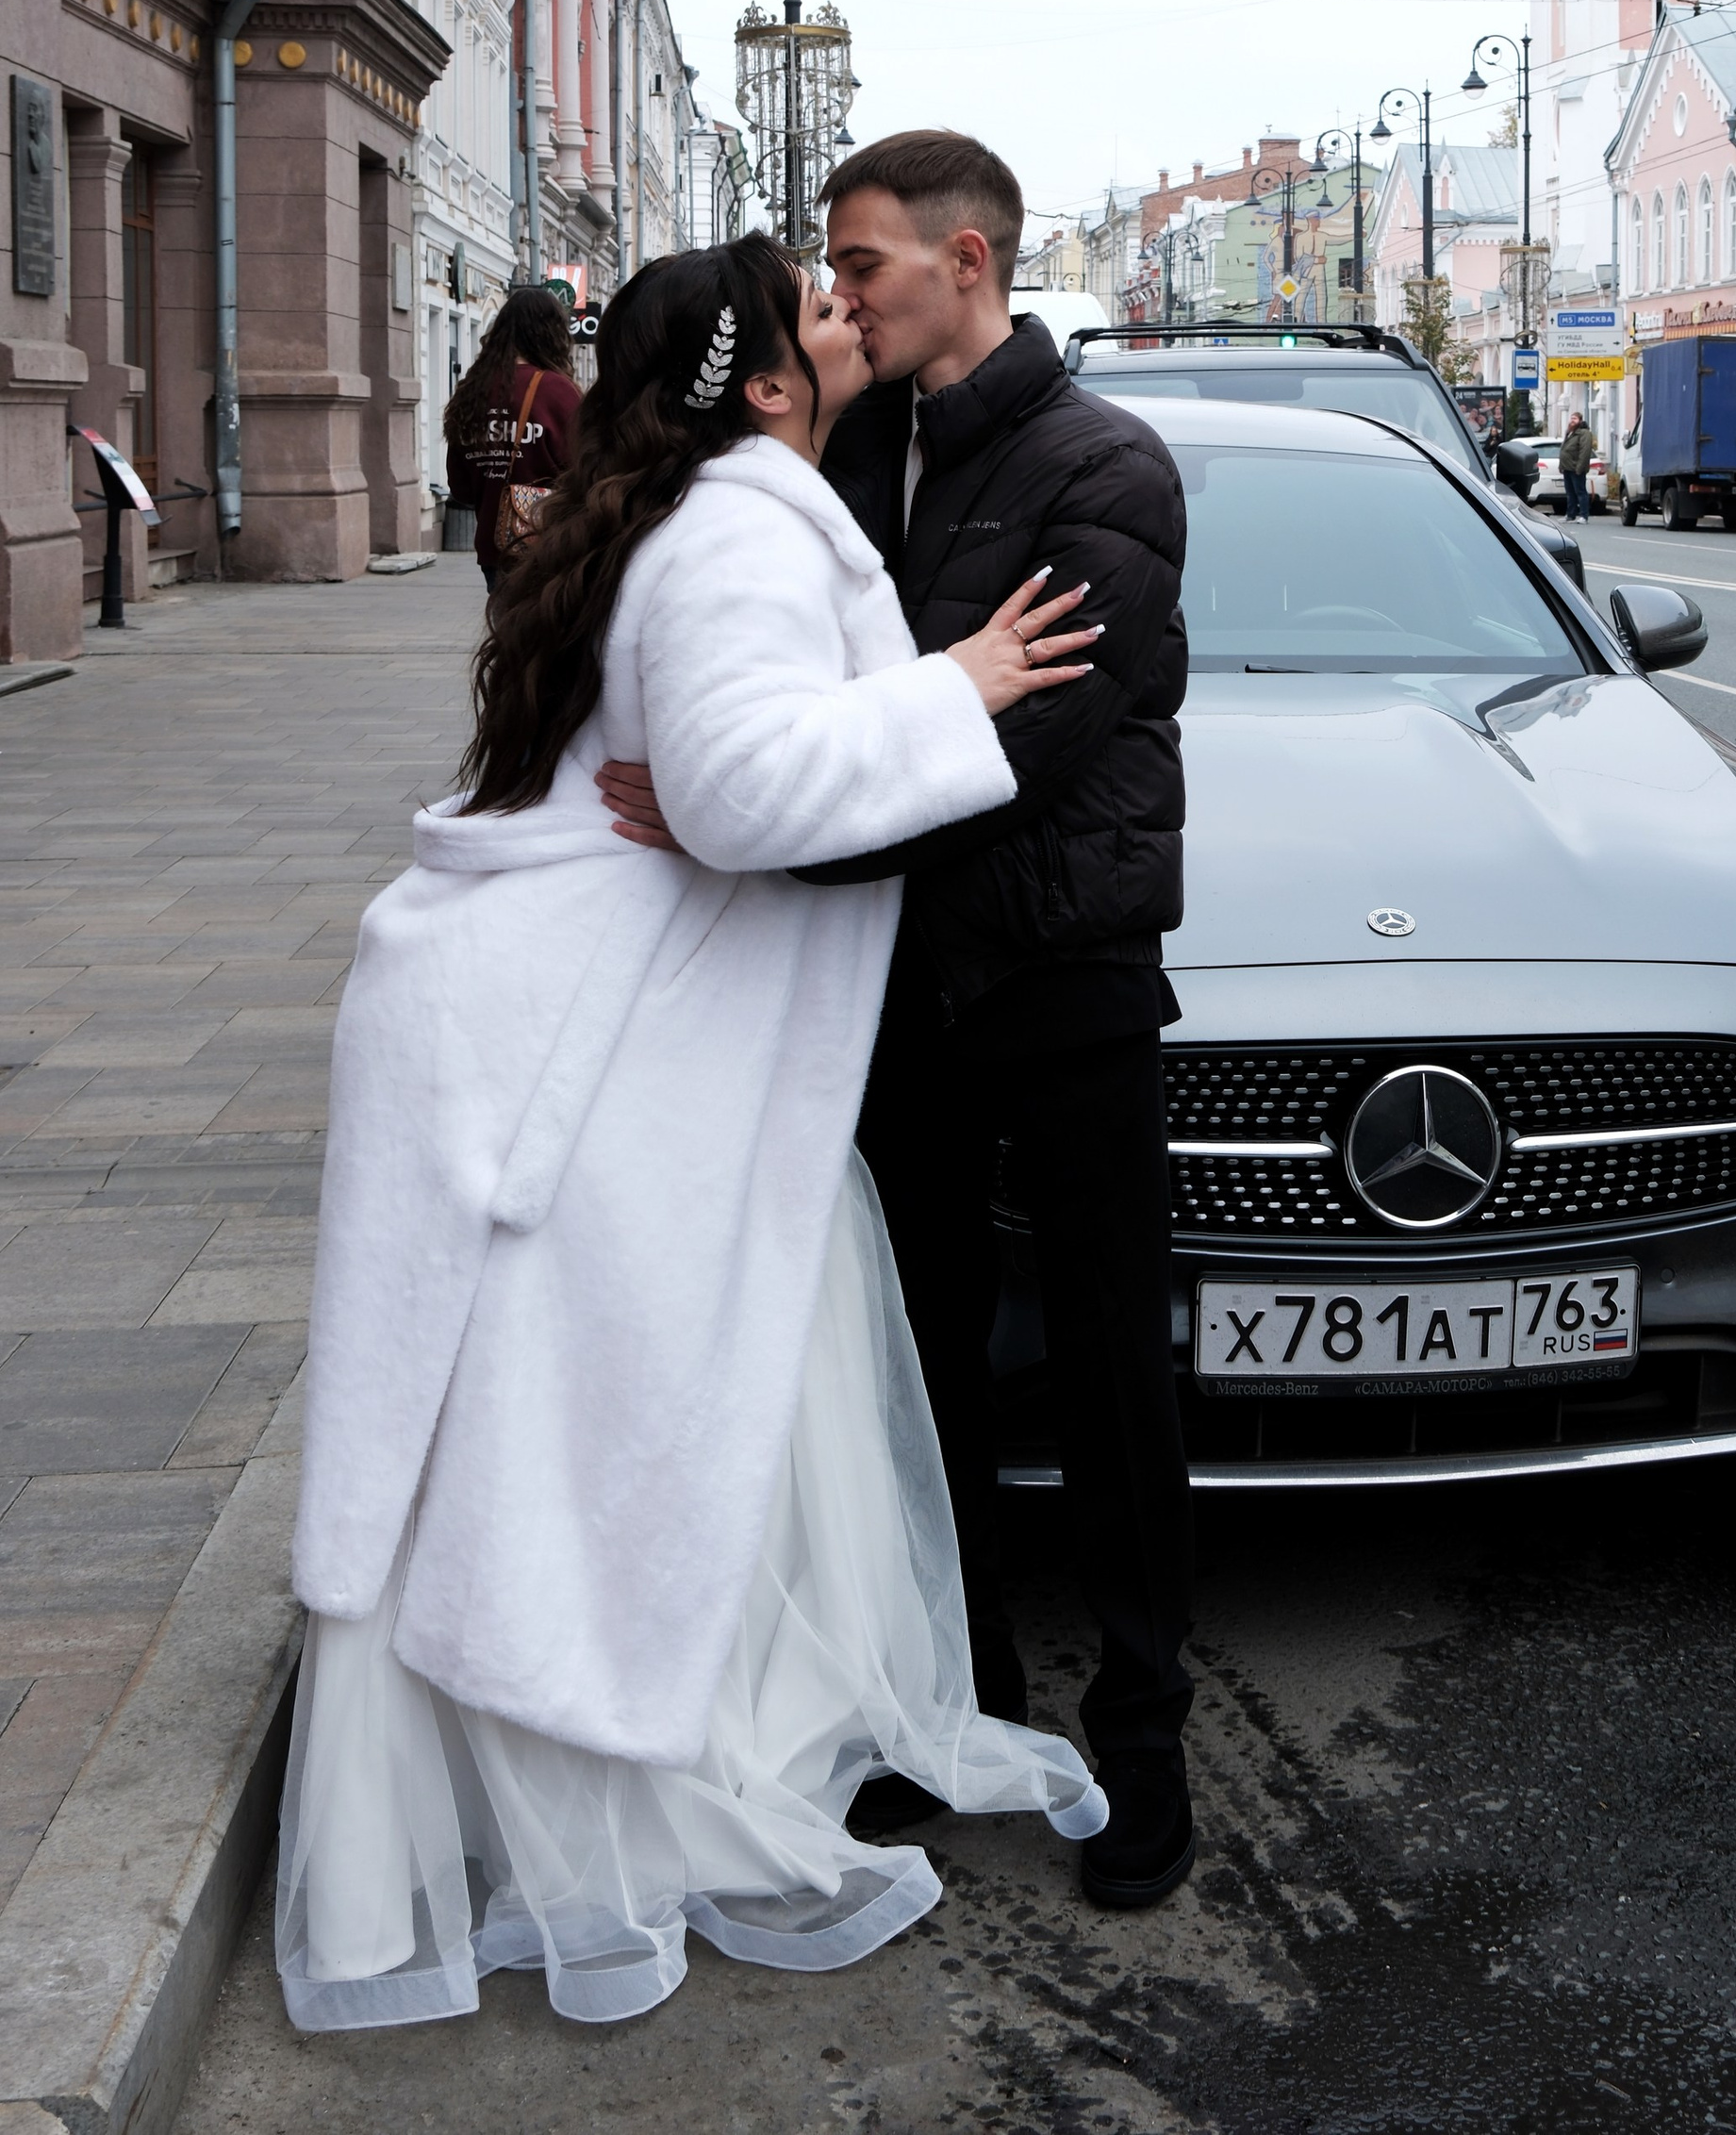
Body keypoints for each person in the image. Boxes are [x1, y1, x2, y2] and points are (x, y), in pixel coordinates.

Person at [276, 235, 1109, 2033]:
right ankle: (640, 1792)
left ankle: (627, 1748)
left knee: (617, 1439)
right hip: (630, 1072)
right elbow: (734, 789)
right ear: (759, 381)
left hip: (609, 1049)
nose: (845, 307)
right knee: (664, 1438)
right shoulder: (742, 522)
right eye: (814, 302)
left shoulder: (699, 507)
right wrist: (954, 688)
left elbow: (689, 769)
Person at [602, 128, 1194, 1910]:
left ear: (970, 255)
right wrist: (737, 773)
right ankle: (957, 1699)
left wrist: (755, 820)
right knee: (918, 1362)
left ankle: (1147, 1730)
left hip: (1065, 973)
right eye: (835, 273)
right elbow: (776, 684)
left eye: (867, 260)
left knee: (1104, 1370)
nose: (845, 290)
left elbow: (1027, 743)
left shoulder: (1110, 461)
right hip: (891, 988)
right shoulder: (847, 449)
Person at [443, 286, 583, 586]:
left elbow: (461, 488)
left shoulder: (472, 392)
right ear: (552, 334)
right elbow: (584, 474)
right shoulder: (558, 392)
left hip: (493, 547)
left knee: (507, 628)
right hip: (550, 546)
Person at [1560, 405, 1596, 521]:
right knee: (1570, 493)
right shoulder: (1571, 432)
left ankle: (1583, 515)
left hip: (1576, 468)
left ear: (1580, 421)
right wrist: (1561, 466)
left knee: (1580, 492)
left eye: (1575, 419)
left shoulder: (1584, 433)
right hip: (1568, 467)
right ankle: (1570, 514)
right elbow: (1565, 449)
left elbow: (1585, 451)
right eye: (1571, 418)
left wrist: (1580, 467)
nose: (1572, 421)